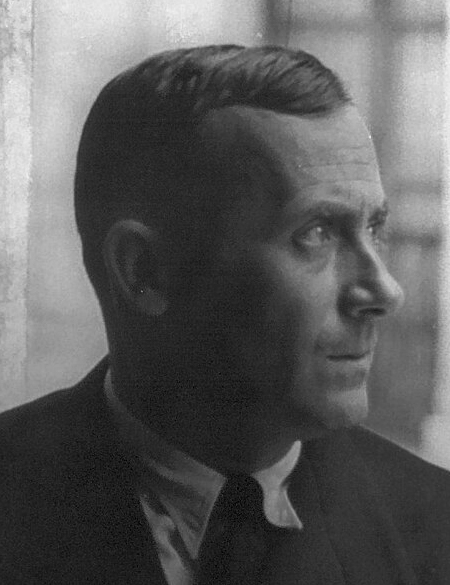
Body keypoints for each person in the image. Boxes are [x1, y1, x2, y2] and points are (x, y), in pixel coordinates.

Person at [0, 45, 449, 585]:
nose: (384, 291)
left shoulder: (434, 529)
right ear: (145, 272)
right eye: (316, 233)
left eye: (375, 228)